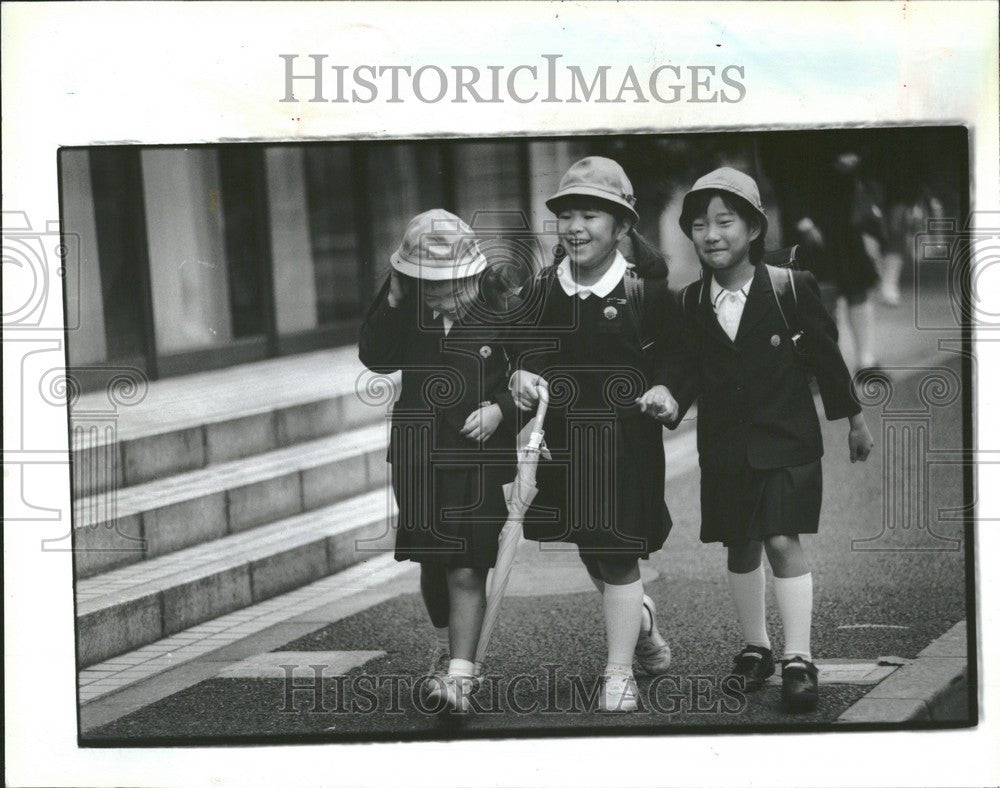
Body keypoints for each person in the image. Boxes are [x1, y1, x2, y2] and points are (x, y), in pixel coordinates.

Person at [664, 167, 875, 713]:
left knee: (781, 539)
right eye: (699, 225)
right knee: (741, 544)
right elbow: (687, 369)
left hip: (787, 439)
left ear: (753, 229)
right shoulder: (690, 302)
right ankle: (756, 646)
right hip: (726, 445)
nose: (711, 234)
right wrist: (670, 400)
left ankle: (798, 658)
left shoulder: (788, 286)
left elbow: (826, 356)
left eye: (725, 222)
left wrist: (853, 419)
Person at [508, 156, 687, 712]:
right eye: (567, 216)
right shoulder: (540, 289)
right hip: (561, 444)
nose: (575, 228)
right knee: (592, 548)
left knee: (617, 554)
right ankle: (642, 619)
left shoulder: (647, 292)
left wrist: (668, 392)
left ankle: (617, 671)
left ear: (622, 226)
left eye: (590, 215)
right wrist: (517, 375)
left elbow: (678, 361)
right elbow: (519, 351)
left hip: (624, 446)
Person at [358, 209, 518, 713]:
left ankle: (461, 677)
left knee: (467, 569)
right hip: (418, 459)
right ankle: (453, 650)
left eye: (448, 283)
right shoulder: (407, 314)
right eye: (424, 283)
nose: (439, 294)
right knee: (435, 573)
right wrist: (394, 297)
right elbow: (375, 356)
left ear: (474, 273)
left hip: (474, 462)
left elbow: (538, 375)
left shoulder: (504, 312)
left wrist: (501, 410)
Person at [795, 151, 886, 373]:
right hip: (815, 218)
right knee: (821, 295)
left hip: (850, 219)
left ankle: (866, 361)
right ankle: (827, 367)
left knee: (858, 287)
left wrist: (858, 157)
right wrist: (801, 217)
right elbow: (786, 166)